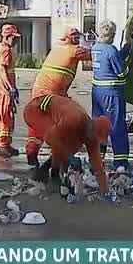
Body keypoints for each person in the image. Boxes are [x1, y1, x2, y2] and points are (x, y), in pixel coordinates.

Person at [25, 27, 92, 166]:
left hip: (41, 91)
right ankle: (61, 158)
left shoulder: (57, 47)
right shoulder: (74, 50)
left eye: (78, 36)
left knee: (39, 124)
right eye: (74, 36)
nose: (77, 38)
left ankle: (32, 152)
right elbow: (95, 54)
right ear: (67, 37)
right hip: (51, 94)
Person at [23, 93, 112, 193]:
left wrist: (105, 189)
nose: (93, 139)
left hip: (55, 117)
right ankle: (53, 174)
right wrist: (69, 157)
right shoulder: (74, 119)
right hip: (36, 110)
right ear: (91, 128)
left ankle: (45, 171)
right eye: (94, 136)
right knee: (63, 144)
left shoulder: (92, 136)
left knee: (72, 146)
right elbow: (51, 138)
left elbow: (97, 165)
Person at [91, 21, 133, 171]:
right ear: (113, 35)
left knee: (99, 127)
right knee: (117, 127)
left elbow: (110, 60)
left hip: (97, 93)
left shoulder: (95, 48)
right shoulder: (111, 50)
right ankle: (121, 164)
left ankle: (96, 161)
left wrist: (126, 49)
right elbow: (122, 72)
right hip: (111, 94)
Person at [0, 24, 21, 158]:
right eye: (14, 38)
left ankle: (2, 143)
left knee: (3, 117)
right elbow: (3, 71)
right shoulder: (5, 50)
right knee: (6, 118)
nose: (16, 41)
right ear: (7, 37)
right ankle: (2, 145)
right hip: (3, 90)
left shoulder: (1, 49)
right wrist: (10, 87)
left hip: (0, 89)